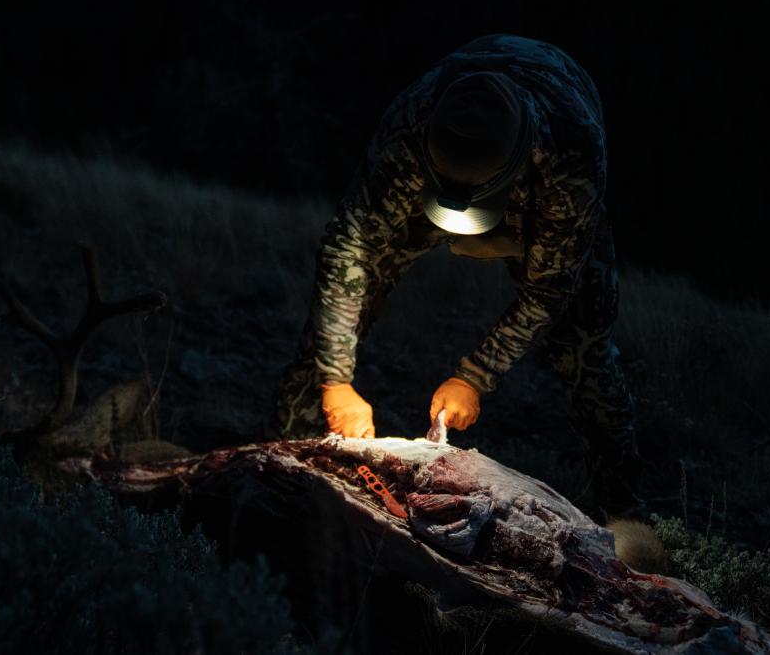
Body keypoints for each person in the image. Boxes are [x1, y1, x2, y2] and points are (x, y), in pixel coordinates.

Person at [271, 34, 643, 518]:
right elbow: (349, 248)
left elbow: (549, 290)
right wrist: (335, 379)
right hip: (428, 170)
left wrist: (474, 376)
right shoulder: (411, 125)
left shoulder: (570, 154)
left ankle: (624, 511)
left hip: (541, 191)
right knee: (337, 320)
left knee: (584, 346)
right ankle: (285, 470)